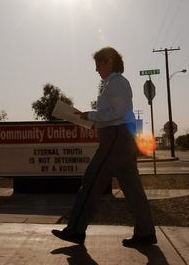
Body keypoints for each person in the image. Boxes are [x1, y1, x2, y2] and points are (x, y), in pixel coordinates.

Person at [52, 46, 157, 247]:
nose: (97, 69)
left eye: (98, 64)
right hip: (122, 138)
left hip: (115, 139)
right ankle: (145, 233)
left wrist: (91, 116)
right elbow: (114, 113)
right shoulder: (115, 83)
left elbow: (116, 113)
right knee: (133, 188)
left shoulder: (116, 84)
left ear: (109, 61)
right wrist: (93, 121)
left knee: (91, 181)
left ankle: (75, 230)